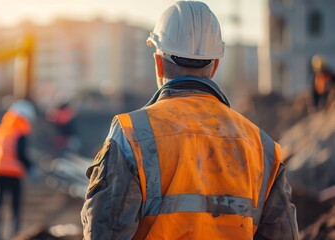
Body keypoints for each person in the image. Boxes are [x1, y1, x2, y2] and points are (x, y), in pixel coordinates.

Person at [81, 1, 299, 239]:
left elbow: (104, 233)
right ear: (215, 66)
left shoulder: (131, 135)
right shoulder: (262, 148)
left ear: (158, 62)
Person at [0, 99, 37, 239]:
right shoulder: (20, 131)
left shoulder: (0, 129)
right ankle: (14, 236)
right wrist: (30, 167)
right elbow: (20, 153)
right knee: (15, 208)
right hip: (14, 173)